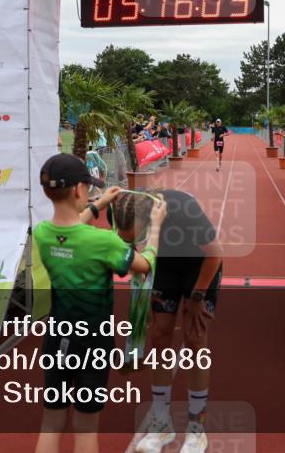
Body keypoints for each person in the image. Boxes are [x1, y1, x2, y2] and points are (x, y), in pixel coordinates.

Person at [33, 154, 163, 453]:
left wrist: (99, 204)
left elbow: (68, 229)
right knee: (86, 427)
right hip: (93, 342)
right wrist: (155, 227)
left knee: (51, 422)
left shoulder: (42, 233)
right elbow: (144, 265)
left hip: (57, 338)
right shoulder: (103, 242)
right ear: (79, 189)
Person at [111, 189, 223, 453]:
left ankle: (197, 429)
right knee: (159, 334)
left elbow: (215, 253)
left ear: (152, 218)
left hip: (199, 263)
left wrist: (197, 297)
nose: (135, 240)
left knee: (195, 338)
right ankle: (162, 424)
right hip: (162, 264)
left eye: (139, 234)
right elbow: (133, 255)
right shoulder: (120, 210)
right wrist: (143, 295)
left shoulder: (184, 210)